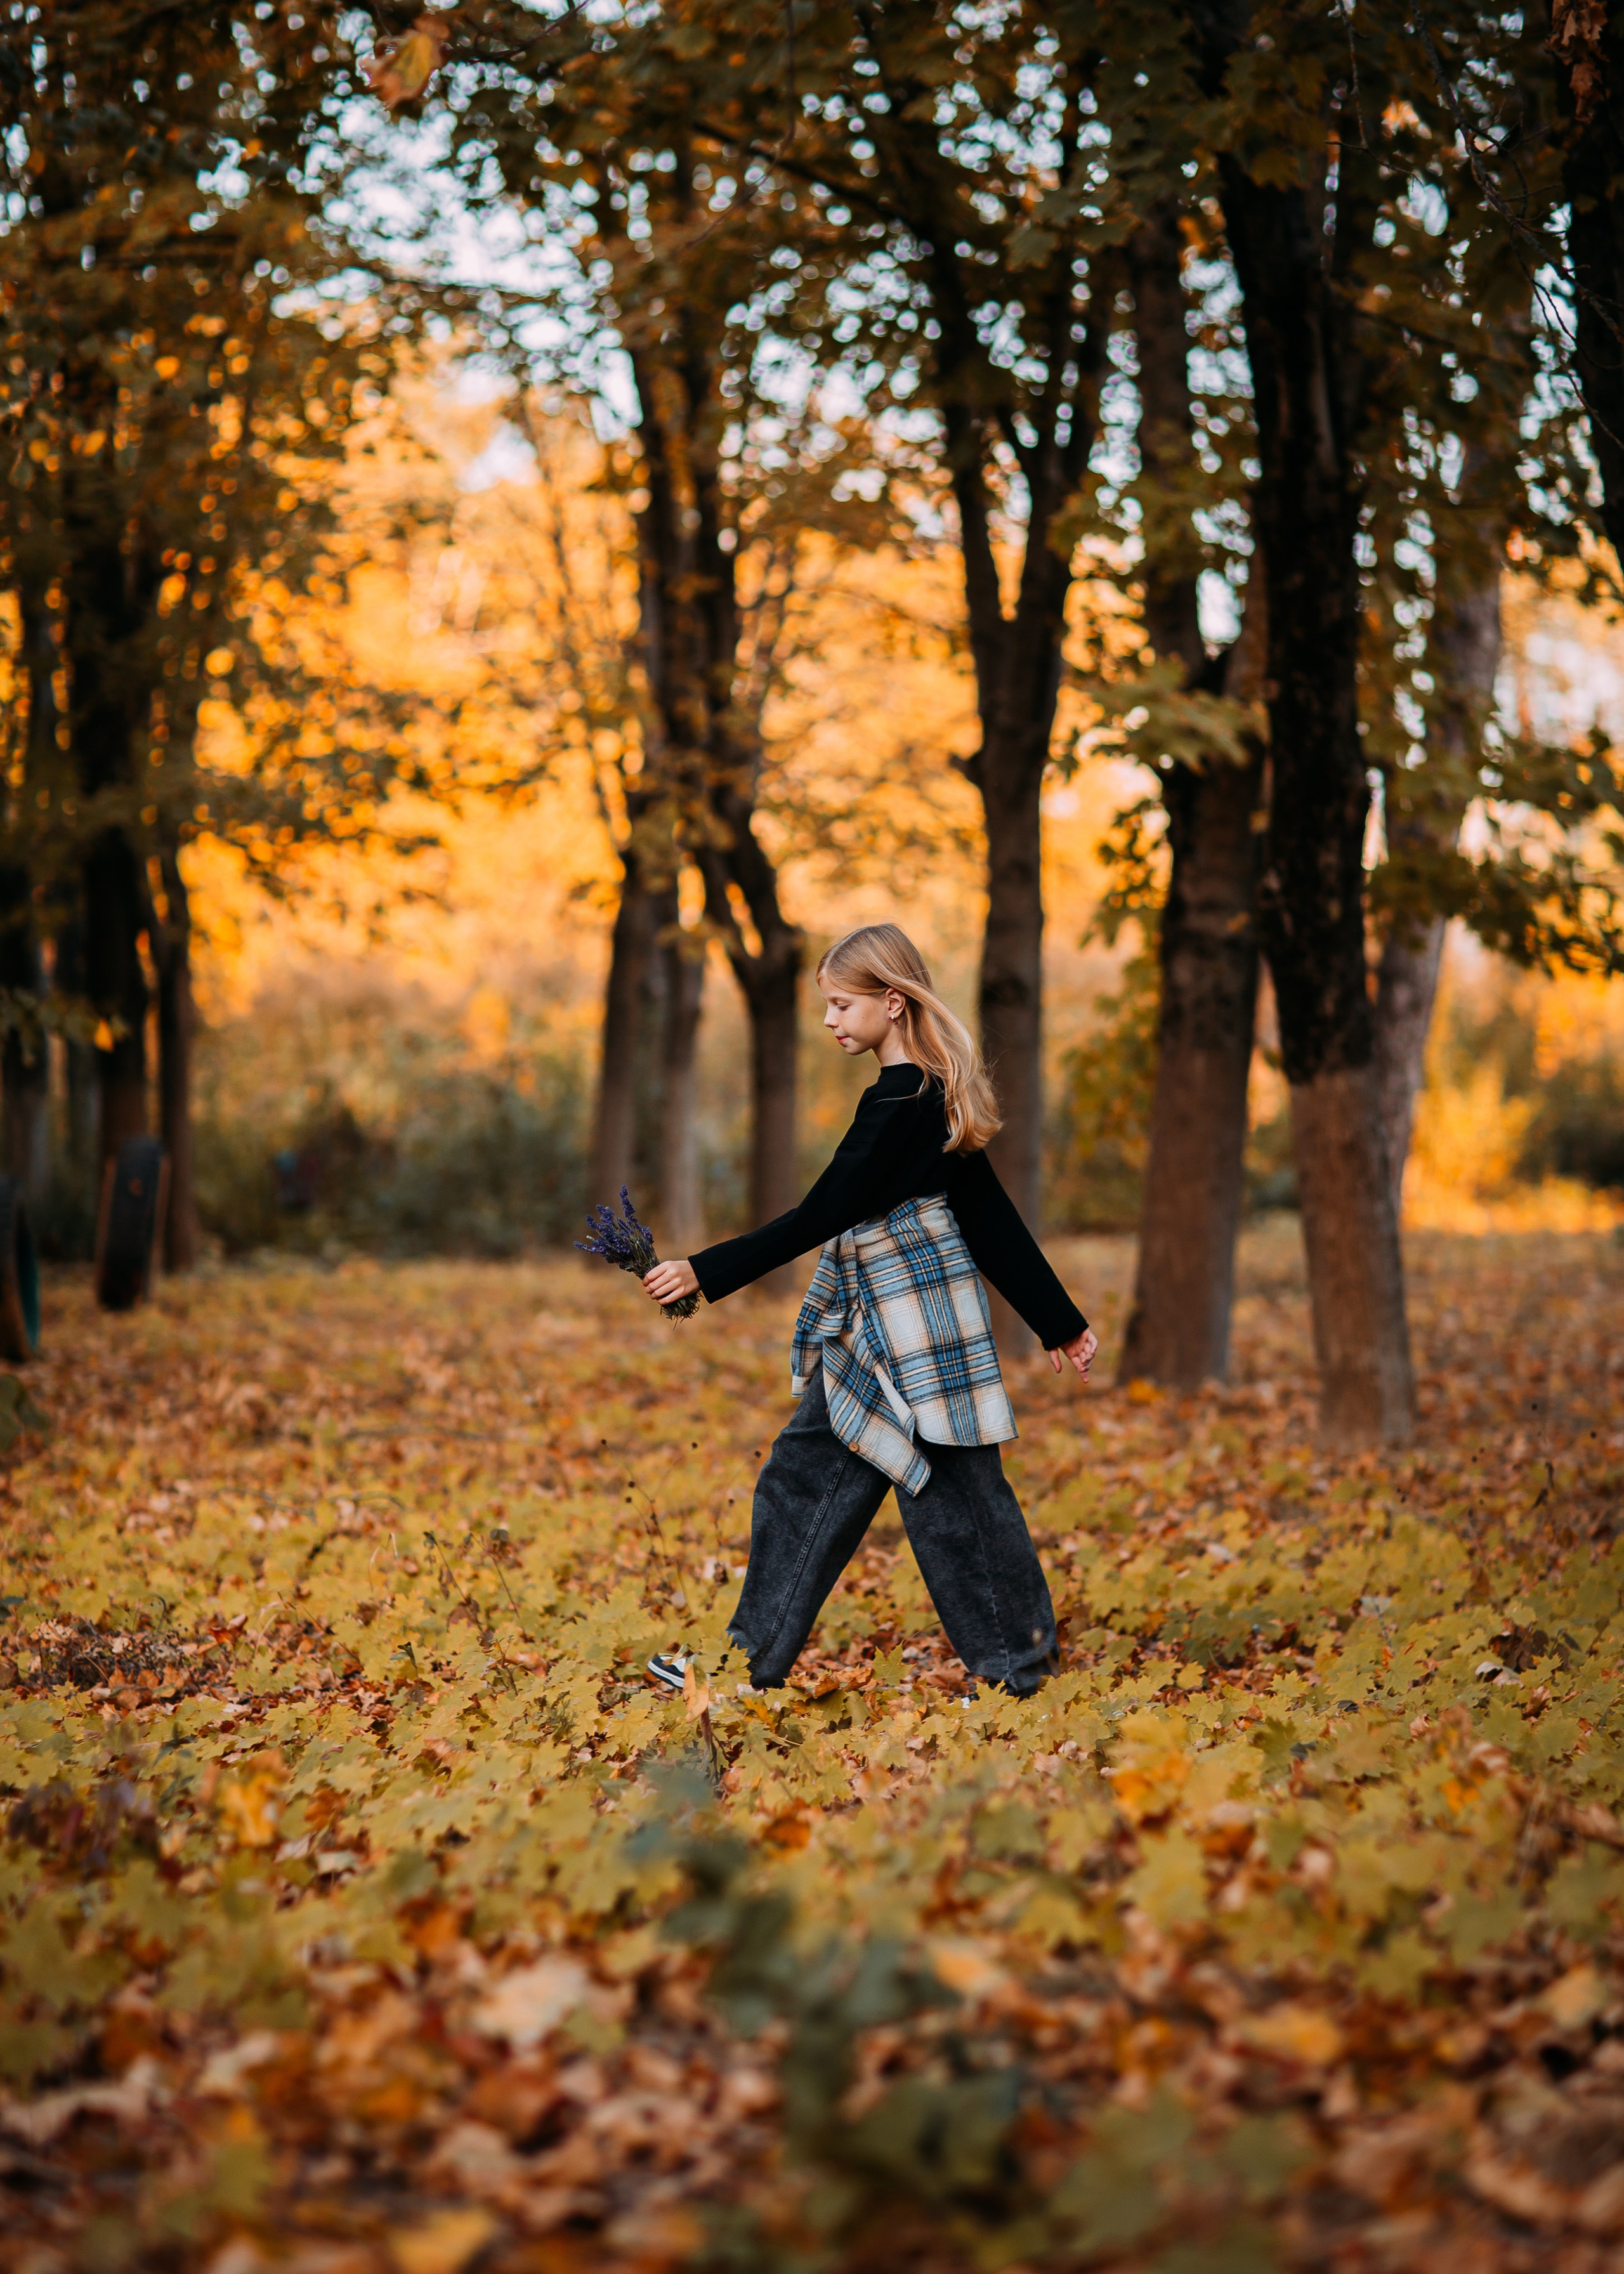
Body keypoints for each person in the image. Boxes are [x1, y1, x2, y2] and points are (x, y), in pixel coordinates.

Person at [641, 922, 1097, 1700]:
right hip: (878, 1324)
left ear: (892, 1003)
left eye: (841, 1005)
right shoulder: (915, 1097)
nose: (829, 1021)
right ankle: (742, 1666)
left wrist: (704, 1271)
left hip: (917, 1330)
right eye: (827, 1006)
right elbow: (983, 1217)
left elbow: (830, 1213)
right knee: (804, 1478)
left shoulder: (906, 1103)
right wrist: (1057, 1320)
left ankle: (1021, 1674)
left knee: (956, 1499)